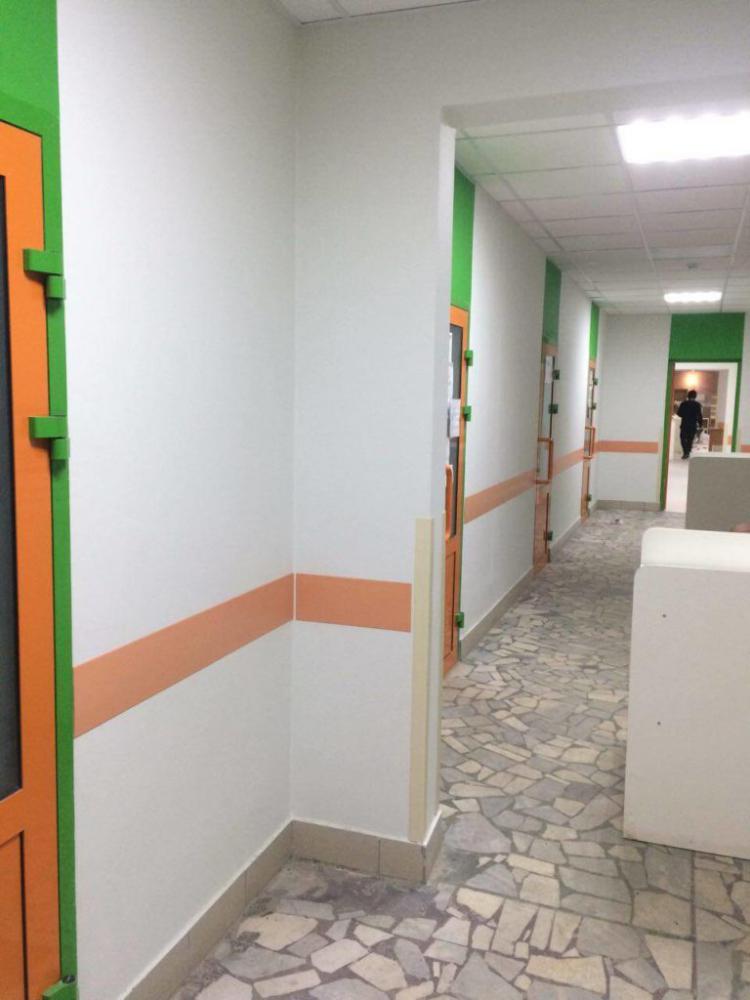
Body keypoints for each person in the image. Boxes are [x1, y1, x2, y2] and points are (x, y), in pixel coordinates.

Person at [677, 389, 703, 459]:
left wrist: (685, 415)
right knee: (690, 439)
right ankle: (688, 452)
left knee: (683, 438)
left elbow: (679, 414)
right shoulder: (697, 405)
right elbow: (699, 416)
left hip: (684, 424)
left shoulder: (683, 404)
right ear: (695, 396)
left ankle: (686, 452)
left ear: (688, 396)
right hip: (693, 425)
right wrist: (700, 424)